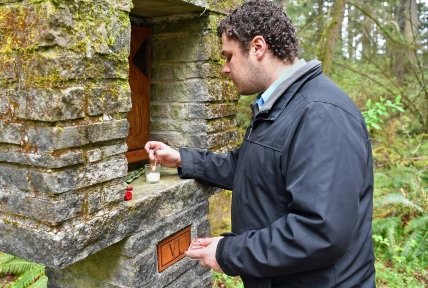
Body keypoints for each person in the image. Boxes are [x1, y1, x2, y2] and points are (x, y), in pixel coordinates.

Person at [144, 0, 375, 287]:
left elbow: (319, 232)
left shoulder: (321, 114)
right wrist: (181, 158)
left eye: (228, 57)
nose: (224, 69)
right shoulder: (278, 105)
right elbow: (247, 167)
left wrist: (229, 252)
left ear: (257, 47)